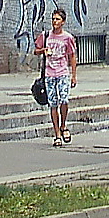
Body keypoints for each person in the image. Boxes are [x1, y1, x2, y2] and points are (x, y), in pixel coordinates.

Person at [35, 8, 77, 147]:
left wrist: (73, 76)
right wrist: (43, 51)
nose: (54, 22)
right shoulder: (46, 35)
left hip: (63, 73)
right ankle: (57, 134)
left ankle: (63, 125)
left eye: (57, 19)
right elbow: (36, 50)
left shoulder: (67, 38)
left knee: (64, 100)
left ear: (63, 22)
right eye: (53, 19)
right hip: (49, 74)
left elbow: (72, 56)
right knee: (53, 103)